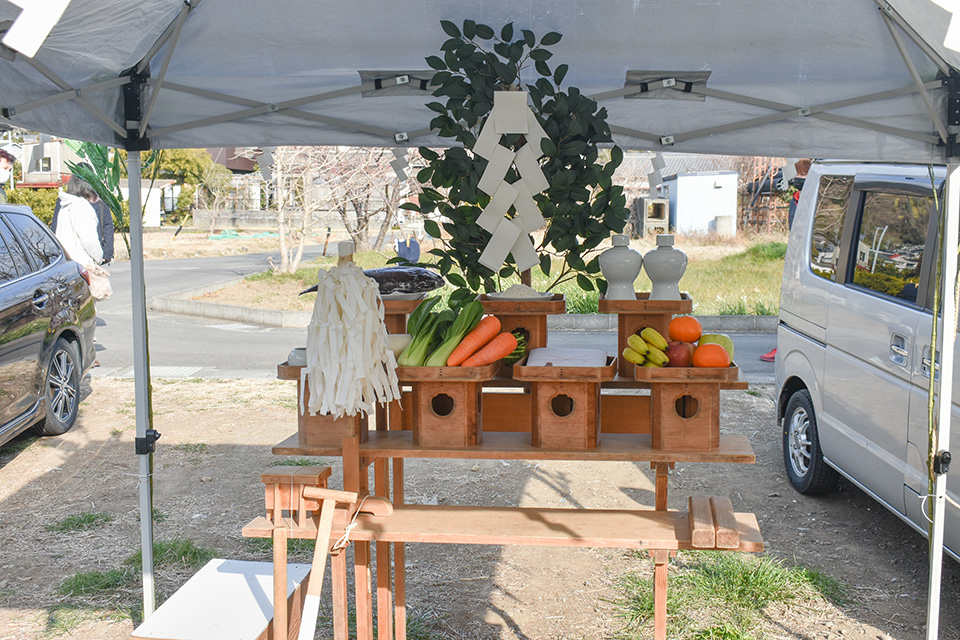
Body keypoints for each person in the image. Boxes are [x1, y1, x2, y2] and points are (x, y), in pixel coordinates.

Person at [761, 158, 812, 363]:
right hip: (795, 261)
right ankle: (784, 346)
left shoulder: (813, 202)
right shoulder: (796, 200)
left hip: (809, 265)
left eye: (802, 179)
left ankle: (788, 347)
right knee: (791, 304)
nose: (797, 183)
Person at [54, 174, 103, 269]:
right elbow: (89, 240)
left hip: (66, 265)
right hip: (82, 266)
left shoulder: (65, 206)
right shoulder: (82, 207)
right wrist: (99, 257)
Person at [52, 194, 114, 263]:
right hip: (75, 256)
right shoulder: (65, 202)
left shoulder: (100, 202)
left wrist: (107, 253)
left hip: (89, 256)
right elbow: (55, 227)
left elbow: (107, 226)